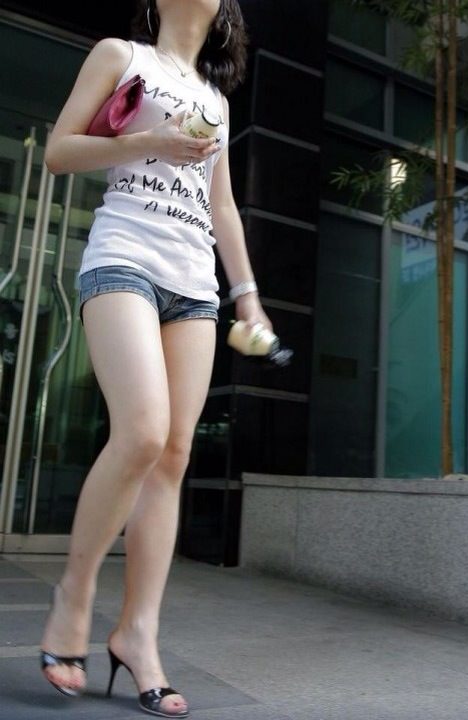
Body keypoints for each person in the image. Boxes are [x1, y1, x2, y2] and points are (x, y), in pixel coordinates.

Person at [39, 0, 271, 716]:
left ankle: (137, 634)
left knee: (172, 455)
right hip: (124, 258)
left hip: (194, 284)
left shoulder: (216, 101)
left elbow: (222, 208)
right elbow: (59, 152)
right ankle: (75, 596)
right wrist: (149, 143)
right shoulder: (121, 56)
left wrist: (248, 298)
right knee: (141, 432)